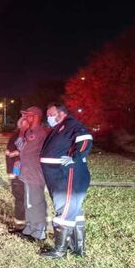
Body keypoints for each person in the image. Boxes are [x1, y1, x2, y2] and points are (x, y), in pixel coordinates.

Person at [39, 103, 93, 258]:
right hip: (58, 175)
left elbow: (85, 138)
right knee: (73, 211)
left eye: (50, 114)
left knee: (65, 210)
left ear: (61, 113)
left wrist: (75, 158)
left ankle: (60, 250)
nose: (48, 117)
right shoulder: (60, 127)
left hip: (68, 175)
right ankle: (78, 248)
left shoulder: (71, 125)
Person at [16, 106, 50, 241]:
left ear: (35, 116)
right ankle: (29, 228)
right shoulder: (29, 131)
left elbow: (21, 145)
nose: (25, 118)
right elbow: (19, 146)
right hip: (27, 172)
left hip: (35, 173)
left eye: (28, 115)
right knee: (28, 201)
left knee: (36, 202)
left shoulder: (38, 132)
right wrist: (23, 130)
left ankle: (39, 231)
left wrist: (23, 130)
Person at [5, 119, 27, 230]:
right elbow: (8, 155)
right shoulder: (15, 138)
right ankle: (20, 223)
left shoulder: (36, 135)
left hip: (31, 174)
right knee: (20, 197)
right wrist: (11, 172)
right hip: (17, 172)